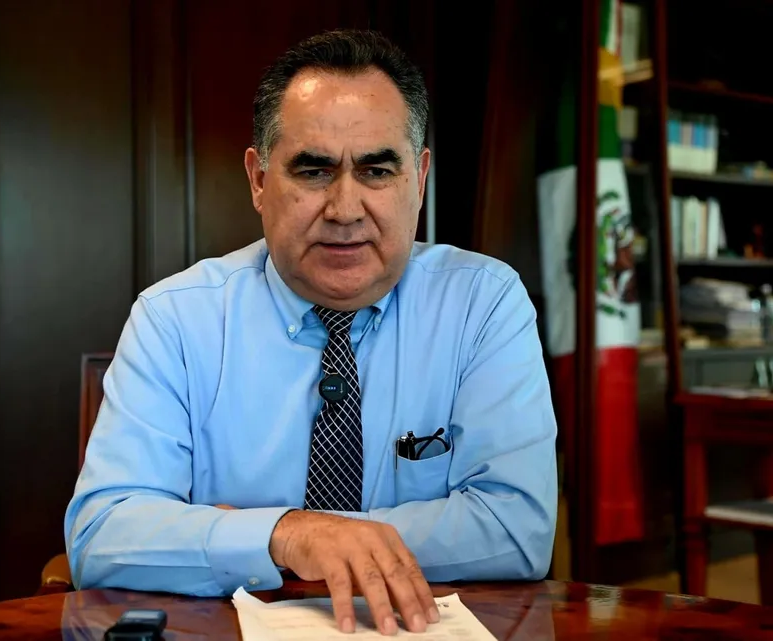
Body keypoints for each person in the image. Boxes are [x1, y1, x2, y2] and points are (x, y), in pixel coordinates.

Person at [65, 29, 558, 636]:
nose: (345, 210)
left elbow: (517, 530)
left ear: (420, 178)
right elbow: (102, 532)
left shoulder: (483, 304)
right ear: (258, 179)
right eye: (314, 170)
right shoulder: (176, 318)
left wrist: (281, 538)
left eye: (377, 170)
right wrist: (286, 535)